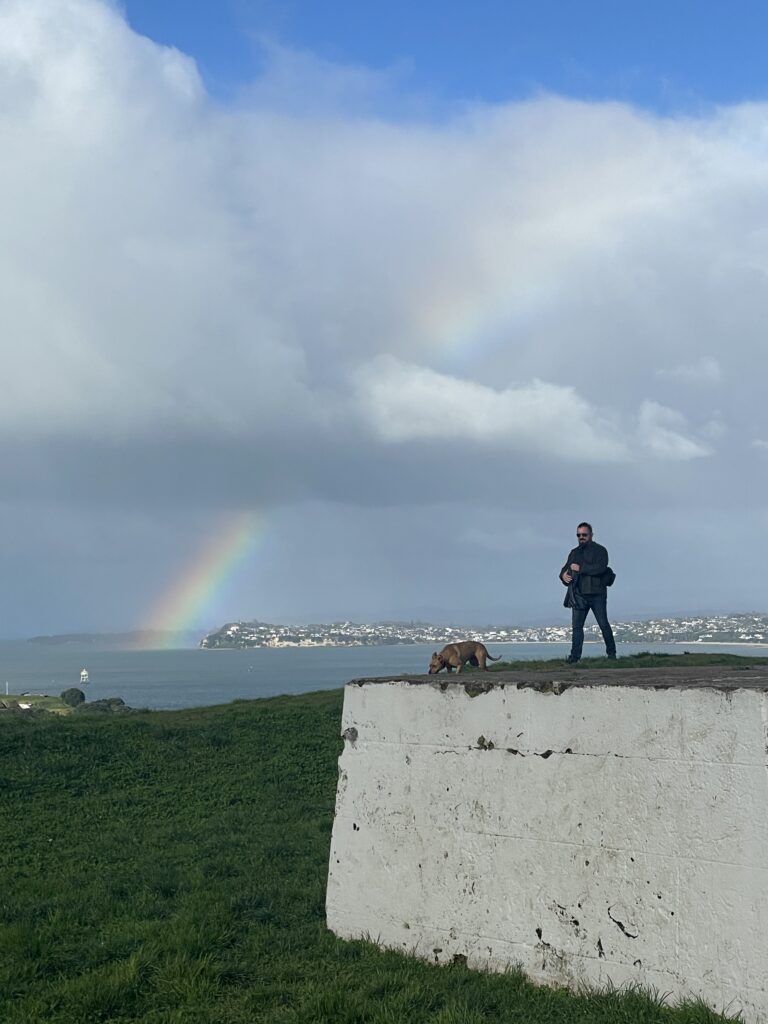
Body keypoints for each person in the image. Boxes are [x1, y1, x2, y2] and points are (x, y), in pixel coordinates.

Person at [559, 522, 616, 663]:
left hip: (597, 594)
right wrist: (563, 576)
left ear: (591, 535)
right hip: (579, 595)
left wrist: (581, 568)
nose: (581, 537)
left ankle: (612, 655)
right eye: (578, 535)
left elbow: (600, 568)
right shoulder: (574, 553)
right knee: (577, 628)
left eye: (584, 534)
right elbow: (565, 569)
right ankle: (574, 657)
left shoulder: (601, 551)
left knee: (603, 624)